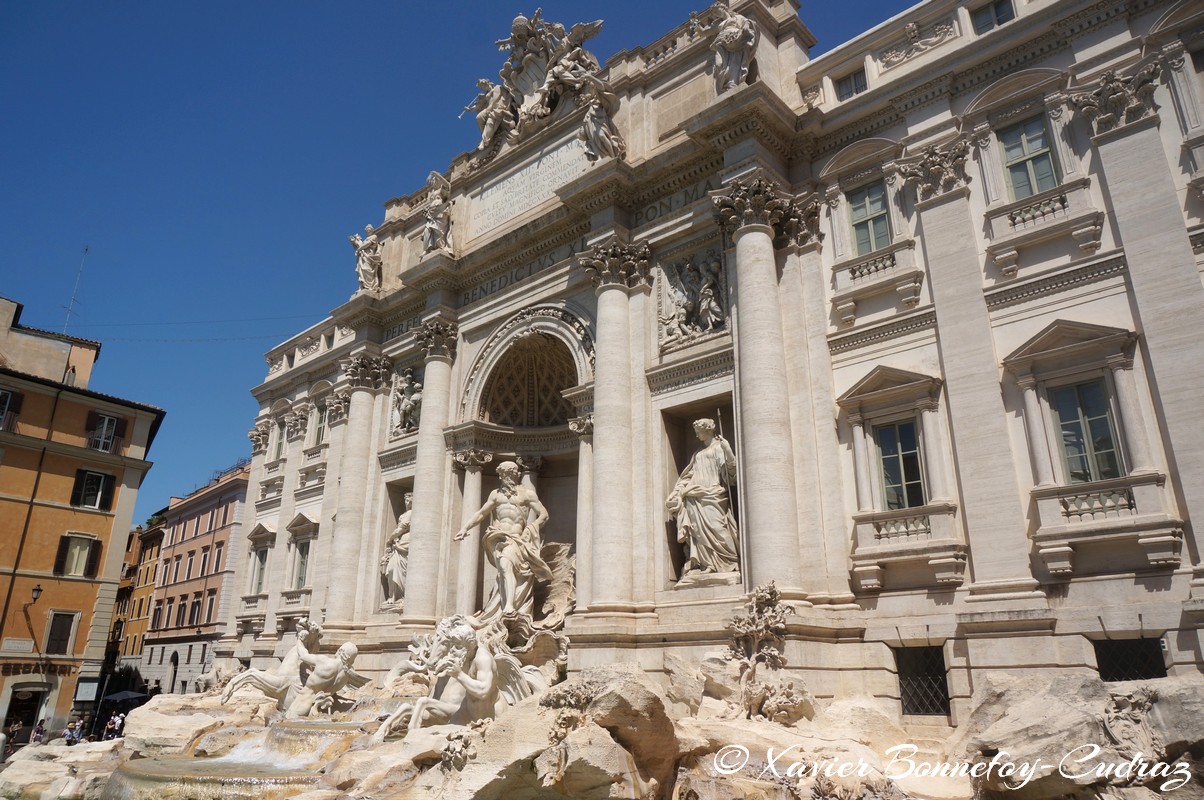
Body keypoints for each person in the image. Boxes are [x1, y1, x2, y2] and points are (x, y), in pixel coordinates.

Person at [455, 461, 552, 621]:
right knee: (503, 569)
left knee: (506, 566)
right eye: (505, 474)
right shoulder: (495, 495)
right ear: (500, 475)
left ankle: (509, 606)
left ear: (517, 474)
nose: (508, 477)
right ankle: (506, 605)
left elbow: (544, 514)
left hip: (516, 538)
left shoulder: (527, 494)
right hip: (497, 536)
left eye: (511, 473)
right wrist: (465, 528)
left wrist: (531, 528)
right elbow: (481, 513)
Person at [666, 418, 740, 577]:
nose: (697, 435)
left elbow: (730, 472)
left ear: (708, 430)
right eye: (695, 432)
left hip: (713, 493)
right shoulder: (697, 453)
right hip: (694, 495)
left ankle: (731, 561)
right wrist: (677, 492)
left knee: (718, 528)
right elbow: (688, 475)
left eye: (699, 432)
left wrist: (728, 450)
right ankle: (707, 564)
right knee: (698, 531)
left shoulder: (719, 448)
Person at [380, 493, 412, 606]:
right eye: (405, 500)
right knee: (392, 568)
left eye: (409, 500)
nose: (406, 503)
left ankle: (402, 595)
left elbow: (400, 529)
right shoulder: (404, 514)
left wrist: (390, 539)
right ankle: (393, 596)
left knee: (404, 570)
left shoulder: (411, 514)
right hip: (399, 544)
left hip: (405, 542)